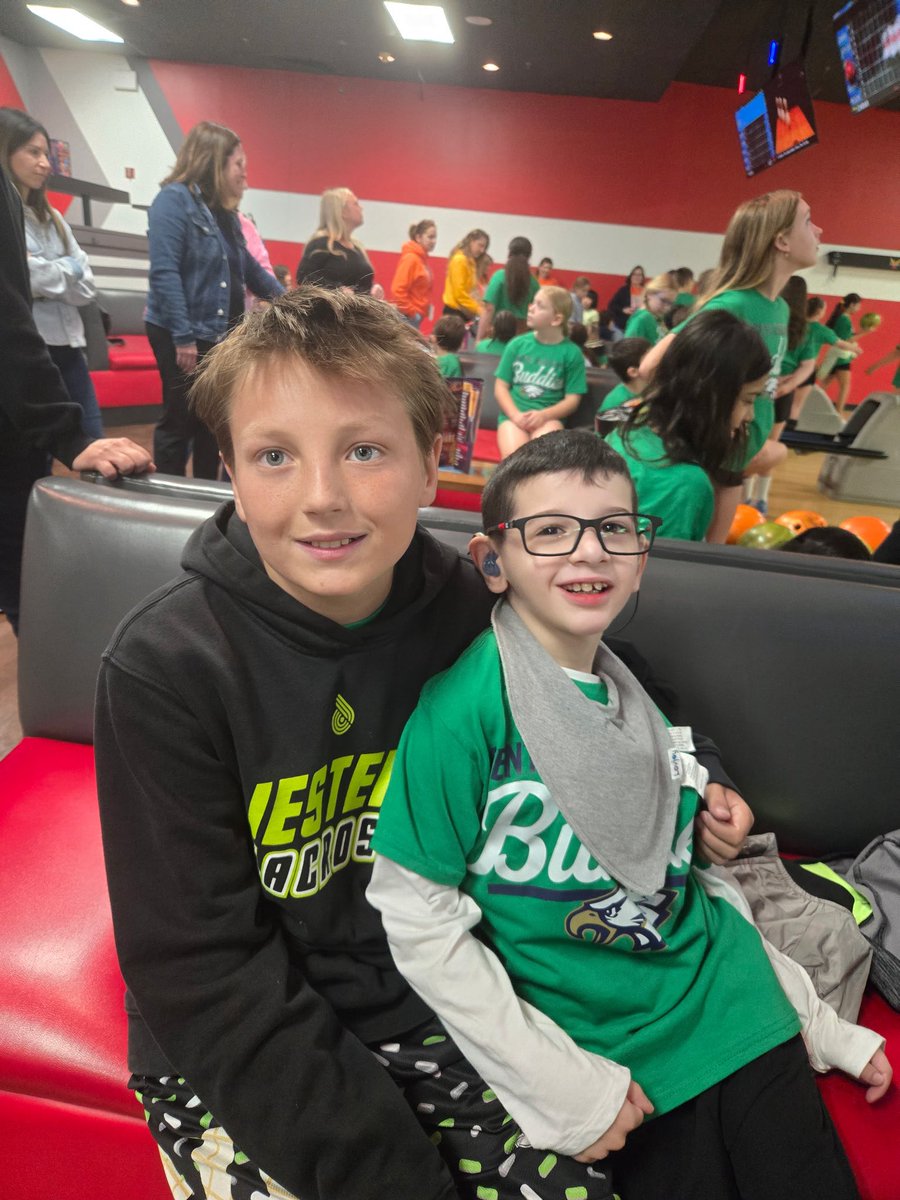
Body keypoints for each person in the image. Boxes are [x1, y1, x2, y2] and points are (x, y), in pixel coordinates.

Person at [94, 286, 751, 1200]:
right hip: (241, 1044)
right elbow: (201, 973)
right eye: (274, 456)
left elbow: (622, 681)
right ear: (231, 472)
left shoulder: (470, 611)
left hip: (441, 999)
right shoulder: (167, 667)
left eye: (364, 451)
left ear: (431, 461)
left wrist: (700, 770)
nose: (323, 499)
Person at [369, 428, 891, 1200]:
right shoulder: (461, 715)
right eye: (550, 531)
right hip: (614, 1062)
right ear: (492, 559)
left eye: (614, 528)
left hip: (742, 1018)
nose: (589, 553)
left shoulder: (642, 705)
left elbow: (698, 895)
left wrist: (820, 1023)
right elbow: (416, 914)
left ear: (642, 555)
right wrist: (557, 1087)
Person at [0, 161, 153, 632]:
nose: (43, 161)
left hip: (42, 368)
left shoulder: (48, 215)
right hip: (21, 390)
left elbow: (77, 282)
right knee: (21, 569)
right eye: (32, 150)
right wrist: (67, 435)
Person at [641, 190, 821, 541]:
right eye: (808, 220)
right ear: (781, 241)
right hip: (711, 462)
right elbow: (652, 366)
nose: (819, 231)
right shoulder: (732, 303)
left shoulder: (780, 308)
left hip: (735, 463)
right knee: (690, 558)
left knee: (712, 563)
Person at [145, 121, 283, 478]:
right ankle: (170, 495)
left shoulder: (225, 214)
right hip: (184, 333)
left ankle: (206, 496)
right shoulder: (173, 201)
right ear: (214, 161)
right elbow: (165, 272)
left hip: (219, 336)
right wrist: (184, 337)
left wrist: (294, 304)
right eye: (239, 165)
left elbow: (250, 270)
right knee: (180, 419)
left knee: (212, 423)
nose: (245, 175)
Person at [607, 311, 771, 541]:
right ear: (708, 396)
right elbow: (667, 571)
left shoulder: (628, 434)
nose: (750, 416)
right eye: (748, 399)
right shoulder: (685, 485)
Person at [0, 107, 103, 439]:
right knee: (38, 450)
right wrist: (66, 270)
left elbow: (86, 287)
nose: (44, 162)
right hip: (32, 349)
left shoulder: (54, 219)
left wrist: (47, 276)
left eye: (46, 153)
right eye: (33, 152)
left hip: (70, 346)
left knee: (91, 436)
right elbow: (23, 279)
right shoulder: (9, 217)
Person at [494, 285, 586, 458]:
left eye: (540, 305)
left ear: (557, 319)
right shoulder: (517, 344)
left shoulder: (572, 353)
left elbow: (572, 400)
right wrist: (515, 415)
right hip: (513, 417)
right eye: (532, 303)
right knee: (515, 462)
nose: (531, 308)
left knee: (540, 462)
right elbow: (501, 386)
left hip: (549, 420)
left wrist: (544, 415)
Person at [789, 296, 860, 424]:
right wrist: (856, 350)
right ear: (819, 312)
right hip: (805, 370)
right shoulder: (822, 330)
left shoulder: (793, 325)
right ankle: (790, 430)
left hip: (787, 366)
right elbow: (840, 343)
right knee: (796, 405)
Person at [477, 236, 539, 340]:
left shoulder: (499, 276)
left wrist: (479, 339)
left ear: (509, 253)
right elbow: (538, 310)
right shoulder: (533, 282)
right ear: (529, 256)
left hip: (498, 332)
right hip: (520, 334)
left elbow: (489, 309)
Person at [391, 218, 436, 328]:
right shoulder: (411, 259)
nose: (434, 241)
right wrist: (412, 312)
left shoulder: (421, 260)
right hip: (407, 317)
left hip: (414, 317)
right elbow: (398, 290)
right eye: (430, 237)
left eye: (435, 237)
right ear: (418, 237)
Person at [822, 293, 862, 412]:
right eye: (858, 305)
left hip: (836, 355)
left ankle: (807, 407)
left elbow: (848, 336)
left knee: (824, 384)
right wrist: (865, 333)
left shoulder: (843, 318)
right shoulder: (844, 319)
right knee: (845, 386)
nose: (859, 308)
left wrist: (862, 331)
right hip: (841, 357)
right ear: (852, 305)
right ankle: (839, 412)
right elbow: (846, 340)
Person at [442, 228, 489, 324]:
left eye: (484, 247)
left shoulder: (470, 262)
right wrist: (478, 309)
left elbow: (471, 290)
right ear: (471, 241)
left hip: (463, 312)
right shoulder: (460, 260)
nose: (482, 250)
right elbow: (460, 294)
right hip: (454, 313)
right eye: (480, 245)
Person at [597, 336, 652, 414]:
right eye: (650, 359)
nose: (656, 360)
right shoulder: (615, 404)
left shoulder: (660, 386)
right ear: (633, 372)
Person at [623, 273, 676, 343]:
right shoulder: (641, 319)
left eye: (670, 303)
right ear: (649, 294)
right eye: (663, 300)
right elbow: (628, 351)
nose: (667, 307)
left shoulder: (657, 318)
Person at [607, 265, 646, 335]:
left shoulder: (646, 292)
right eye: (634, 274)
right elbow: (611, 305)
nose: (637, 277)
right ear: (631, 276)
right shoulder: (624, 290)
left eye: (639, 275)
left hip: (639, 325)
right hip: (622, 325)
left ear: (642, 278)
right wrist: (623, 310)